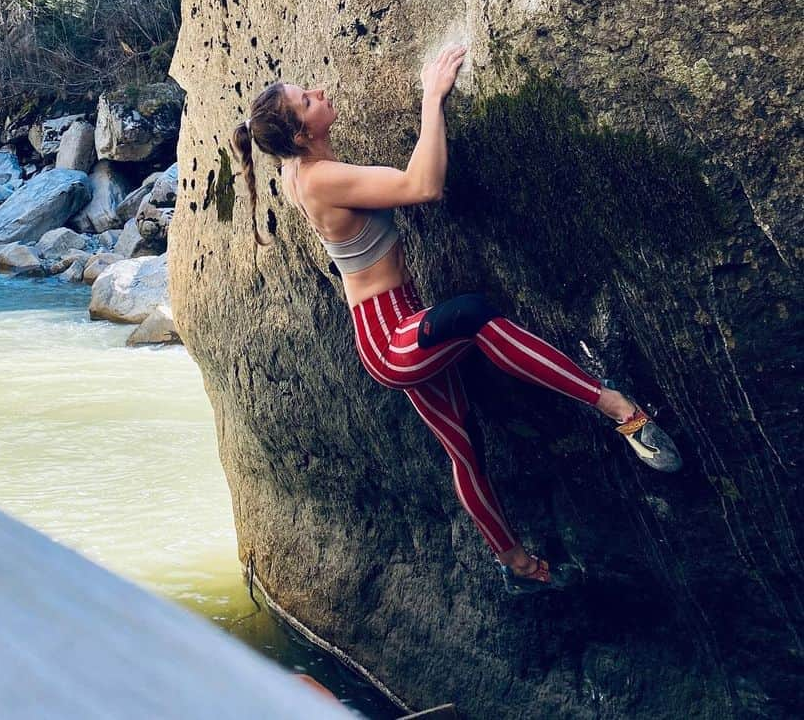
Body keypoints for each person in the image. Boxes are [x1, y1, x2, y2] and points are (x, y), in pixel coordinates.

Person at [230, 44, 682, 594]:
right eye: (308, 99)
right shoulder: (318, 177)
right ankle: (620, 409)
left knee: (465, 447)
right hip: (391, 340)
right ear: (301, 135)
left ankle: (515, 563)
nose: (321, 92)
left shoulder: (301, 169)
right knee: (474, 315)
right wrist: (432, 97)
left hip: (395, 326)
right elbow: (424, 187)